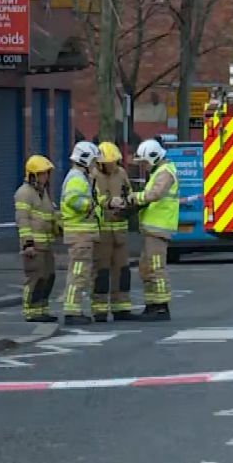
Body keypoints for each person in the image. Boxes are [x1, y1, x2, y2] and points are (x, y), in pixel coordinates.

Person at [120, 139, 181, 321]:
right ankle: (151, 305)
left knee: (156, 268)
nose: (144, 166)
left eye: (145, 162)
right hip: (151, 230)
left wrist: (134, 198)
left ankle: (161, 307)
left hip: (159, 229)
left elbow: (155, 194)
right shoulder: (158, 172)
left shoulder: (165, 172)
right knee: (146, 269)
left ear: (154, 158)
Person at [59, 141, 102, 326]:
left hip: (82, 235)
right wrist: (90, 205)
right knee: (78, 273)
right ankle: (72, 311)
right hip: (79, 234)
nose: (95, 165)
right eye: (93, 161)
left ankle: (74, 309)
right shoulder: (77, 178)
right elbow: (73, 200)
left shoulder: (81, 177)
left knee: (80, 273)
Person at [14, 155, 60, 323]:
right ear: (32, 175)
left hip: (46, 245)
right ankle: (30, 310)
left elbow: (49, 215)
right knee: (34, 279)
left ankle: (42, 309)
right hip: (34, 246)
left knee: (48, 278)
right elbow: (23, 220)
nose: (45, 177)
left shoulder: (43, 192)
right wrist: (28, 244)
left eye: (46, 174)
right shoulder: (24, 193)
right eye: (41, 174)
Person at [91, 142, 134, 321]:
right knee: (101, 271)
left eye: (115, 162)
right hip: (102, 232)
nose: (113, 165)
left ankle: (121, 307)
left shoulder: (121, 173)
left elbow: (128, 192)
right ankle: (99, 309)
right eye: (109, 162)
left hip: (120, 230)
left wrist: (128, 202)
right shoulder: (93, 176)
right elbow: (93, 199)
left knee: (122, 270)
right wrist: (109, 202)